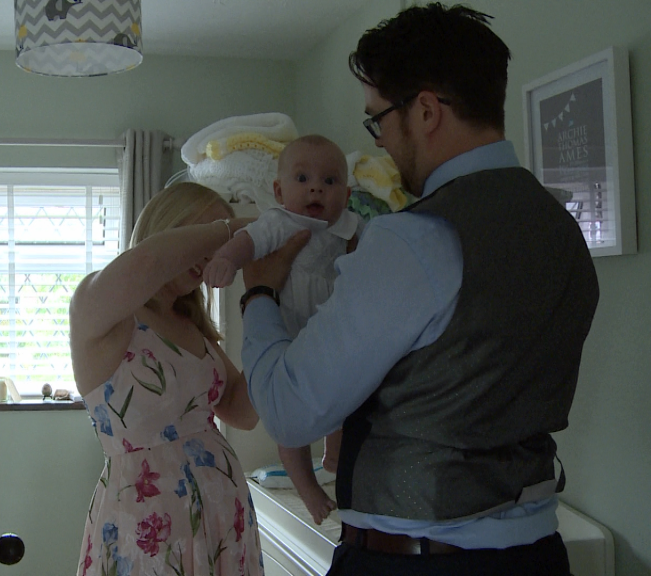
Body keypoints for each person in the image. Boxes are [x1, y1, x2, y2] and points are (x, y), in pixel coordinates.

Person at [239, 4, 599, 576]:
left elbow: (288, 410)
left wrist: (257, 295)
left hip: (416, 558)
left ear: (426, 110)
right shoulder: (562, 227)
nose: (379, 141)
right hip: (537, 554)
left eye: (377, 119)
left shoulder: (414, 239)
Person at [69, 182, 264, 576]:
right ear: (168, 229)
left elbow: (243, 412)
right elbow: (144, 264)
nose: (210, 253)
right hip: (147, 527)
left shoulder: (191, 325)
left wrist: (275, 321)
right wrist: (234, 229)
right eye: (200, 233)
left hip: (221, 523)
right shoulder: (103, 310)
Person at [203, 134, 363, 524]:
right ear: (279, 190)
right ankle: (307, 489)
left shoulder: (348, 226)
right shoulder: (279, 222)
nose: (316, 188)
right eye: (303, 178)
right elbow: (247, 242)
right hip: (287, 337)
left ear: (346, 191)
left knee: (346, 395)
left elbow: (365, 254)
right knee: (288, 420)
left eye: (330, 181)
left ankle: (334, 454)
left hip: (327, 335)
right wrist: (227, 258)